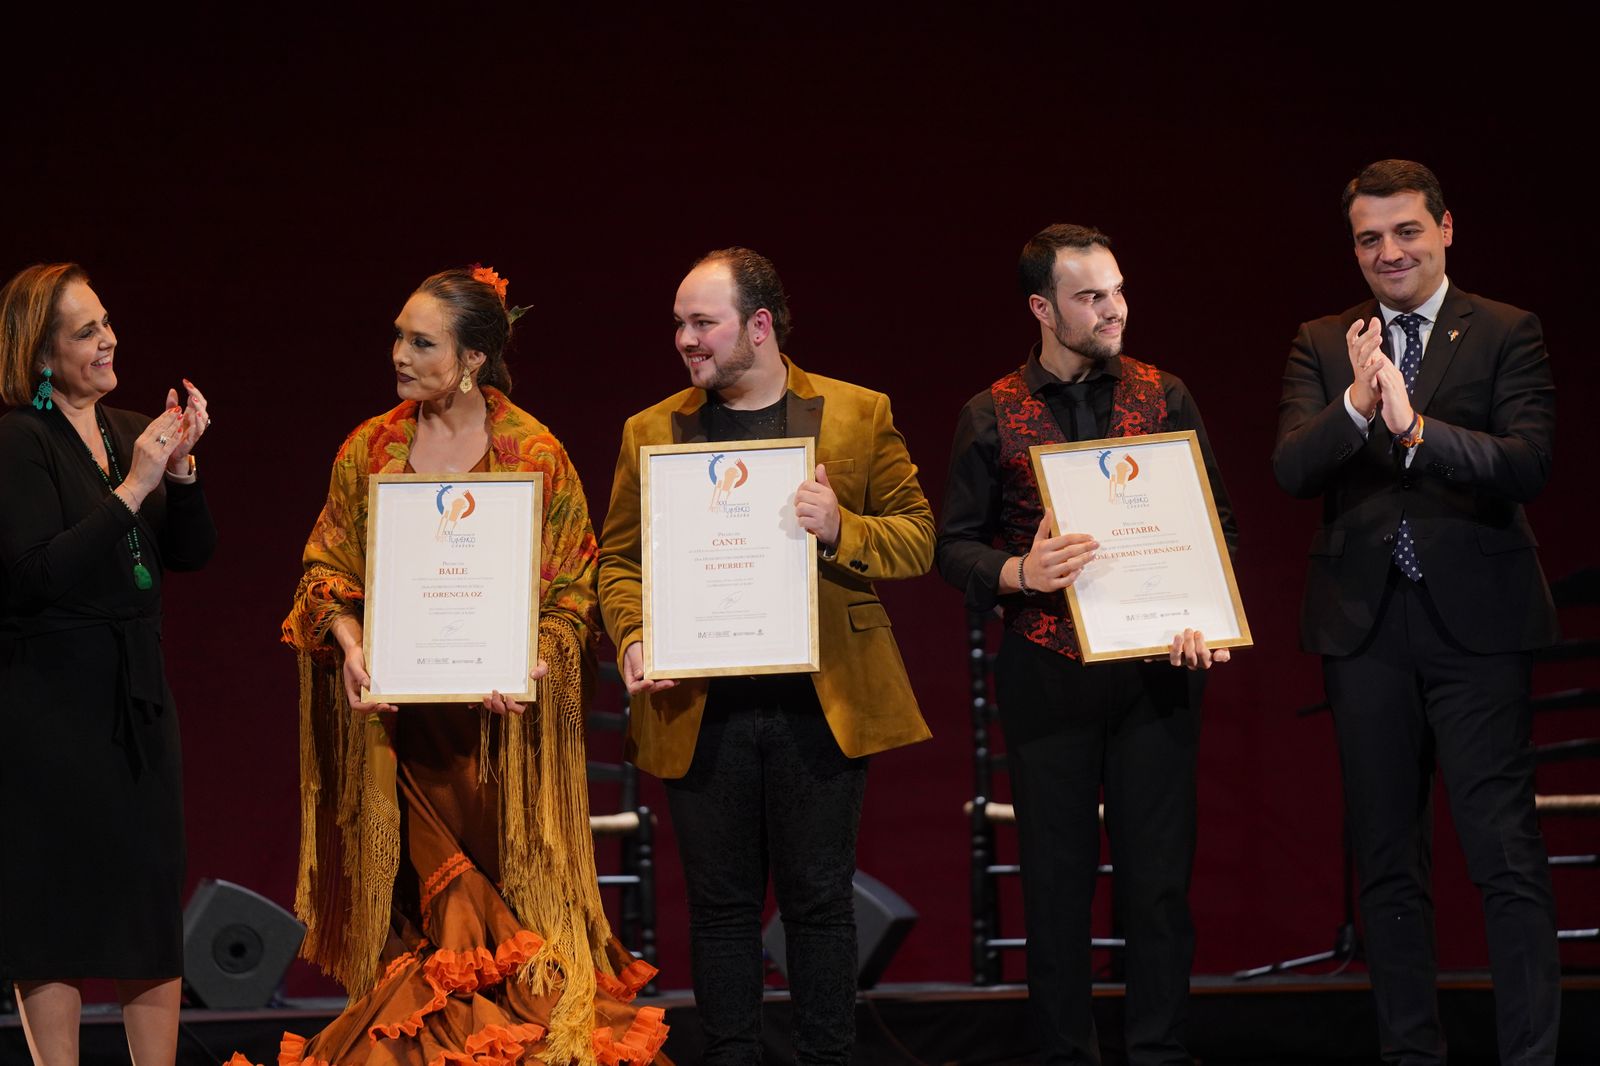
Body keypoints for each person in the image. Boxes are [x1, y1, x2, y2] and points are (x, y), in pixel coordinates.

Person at [271, 267, 667, 1066]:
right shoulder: (372, 446)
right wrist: (349, 644)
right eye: (397, 336)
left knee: (513, 933)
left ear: (475, 357)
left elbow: (572, 592)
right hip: (399, 735)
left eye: (421, 342)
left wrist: (532, 661)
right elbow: (324, 572)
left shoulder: (535, 452)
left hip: (497, 743)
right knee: (422, 927)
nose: (399, 355)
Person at [597, 247, 933, 1064]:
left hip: (819, 702)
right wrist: (635, 634)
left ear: (759, 325)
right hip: (701, 699)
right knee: (718, 907)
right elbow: (619, 561)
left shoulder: (856, 413)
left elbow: (919, 537)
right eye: (678, 323)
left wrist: (841, 528)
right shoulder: (651, 429)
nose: (685, 338)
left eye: (701, 322)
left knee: (819, 903)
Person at [1273, 160, 1560, 1065]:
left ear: (1444, 229)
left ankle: (1530, 1055)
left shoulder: (1507, 331)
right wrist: (1359, 405)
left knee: (1503, 858)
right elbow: (1290, 469)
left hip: (1479, 629)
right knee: (1389, 864)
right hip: (1365, 631)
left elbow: (1527, 463)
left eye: (1405, 232)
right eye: (1368, 238)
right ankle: (1411, 1056)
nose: (1387, 252)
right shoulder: (1325, 343)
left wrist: (1415, 430)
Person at [935, 225, 1236, 1066]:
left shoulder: (1164, 395)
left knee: (1159, 883)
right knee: (1057, 885)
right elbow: (951, 546)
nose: (1113, 310)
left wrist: (1202, 617)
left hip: (1158, 672)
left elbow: (1221, 530)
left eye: (1118, 291)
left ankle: (1160, 1050)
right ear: (1043, 307)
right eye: (1091, 296)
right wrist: (1019, 572)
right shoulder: (990, 412)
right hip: (1047, 669)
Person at [0, 262, 215, 1066]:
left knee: (146, 905)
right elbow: (36, 575)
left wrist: (183, 471)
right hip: (49, 706)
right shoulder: (18, 438)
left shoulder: (132, 427)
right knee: (51, 912)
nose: (109, 338)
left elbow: (191, 554)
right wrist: (132, 488)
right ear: (43, 353)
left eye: (107, 321)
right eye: (86, 330)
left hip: (137, 700)